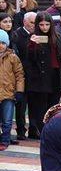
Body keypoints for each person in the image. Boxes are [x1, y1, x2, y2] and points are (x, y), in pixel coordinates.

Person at [24, 12, 61, 137]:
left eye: (47, 24)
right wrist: (33, 44)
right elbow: (30, 58)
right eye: (41, 24)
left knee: (53, 106)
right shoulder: (34, 37)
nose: (44, 27)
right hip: (41, 77)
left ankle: (51, 130)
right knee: (41, 107)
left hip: (56, 76)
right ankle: (43, 131)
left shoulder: (56, 36)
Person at [11, 11, 36, 140]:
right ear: (25, 22)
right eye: (32, 22)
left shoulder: (38, 35)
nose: (34, 25)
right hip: (21, 75)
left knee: (34, 104)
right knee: (21, 105)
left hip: (35, 77)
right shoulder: (17, 35)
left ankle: (33, 129)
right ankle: (20, 130)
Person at [0, 30, 24, 151]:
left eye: (3, 43)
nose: (1, 45)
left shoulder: (13, 57)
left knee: (7, 120)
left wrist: (19, 91)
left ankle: (5, 140)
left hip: (8, 93)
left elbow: (19, 75)